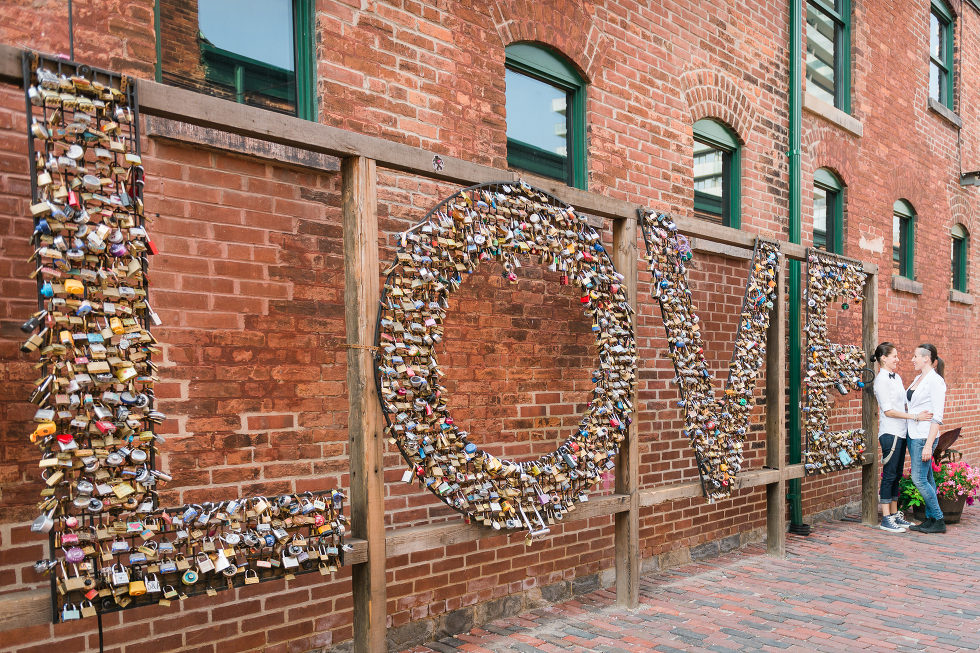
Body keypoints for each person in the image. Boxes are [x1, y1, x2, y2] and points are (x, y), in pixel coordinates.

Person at [871, 343, 931, 533]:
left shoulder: (896, 377)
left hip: (902, 432)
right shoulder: (881, 380)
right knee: (889, 475)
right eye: (894, 356)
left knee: (897, 475)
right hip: (890, 433)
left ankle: (895, 514)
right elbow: (888, 411)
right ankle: (886, 518)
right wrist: (915, 417)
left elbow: (905, 403)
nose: (898, 359)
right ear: (883, 358)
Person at [905, 343, 947, 534]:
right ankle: (930, 519)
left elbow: (937, 416)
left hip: (924, 437)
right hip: (913, 434)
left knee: (919, 479)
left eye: (915, 356)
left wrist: (929, 445)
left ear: (926, 359)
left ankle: (938, 519)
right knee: (928, 478)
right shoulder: (918, 378)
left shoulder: (936, 381)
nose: (912, 359)